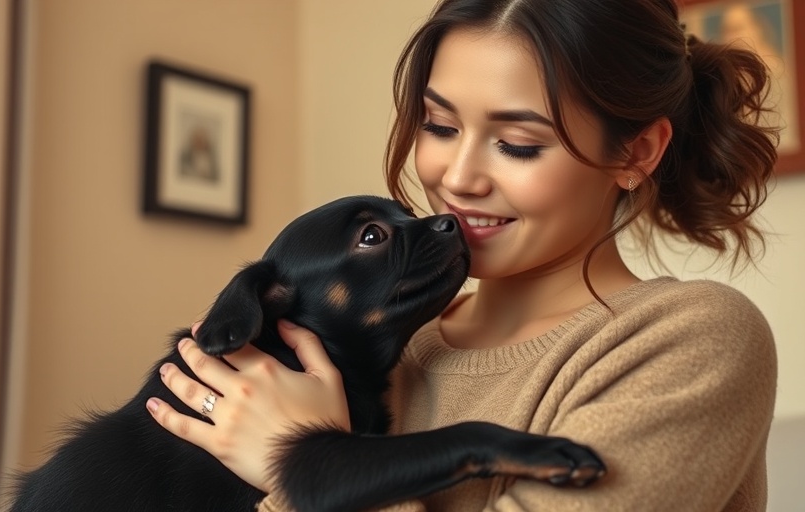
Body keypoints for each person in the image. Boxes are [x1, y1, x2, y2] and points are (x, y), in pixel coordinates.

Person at [145, 0, 778, 510]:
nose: (458, 178)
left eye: (518, 144)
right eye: (440, 128)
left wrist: (303, 462)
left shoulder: (689, 340)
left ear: (635, 154)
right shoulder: (385, 349)